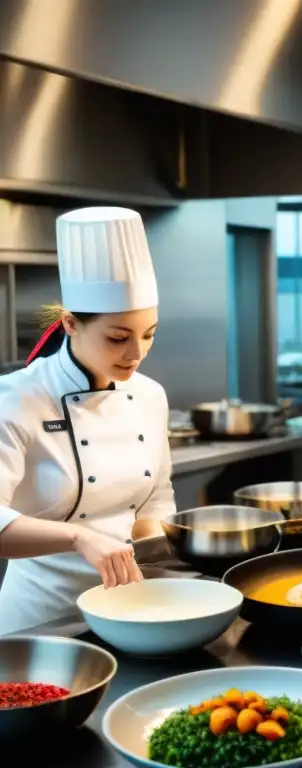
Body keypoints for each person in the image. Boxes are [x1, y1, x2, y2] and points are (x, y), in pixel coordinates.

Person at [0, 206, 190, 635]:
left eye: (149, 334)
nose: (136, 354)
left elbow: (156, 497)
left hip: (127, 607)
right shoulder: (18, 398)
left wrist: (164, 552)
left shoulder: (149, 395)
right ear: (70, 324)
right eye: (118, 338)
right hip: (40, 620)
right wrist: (77, 537)